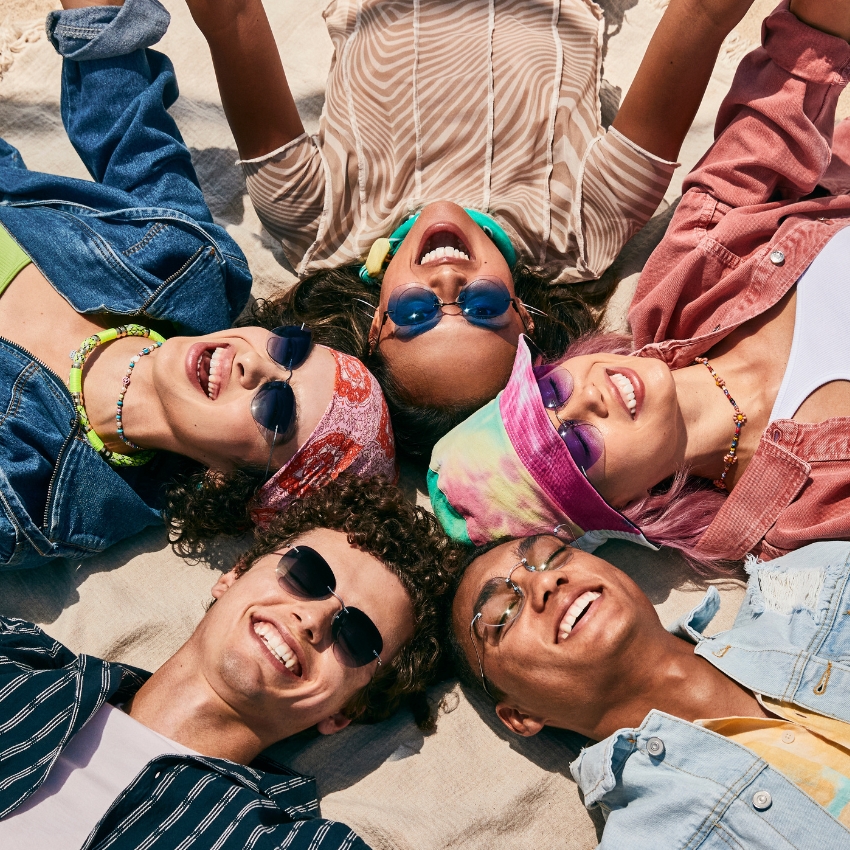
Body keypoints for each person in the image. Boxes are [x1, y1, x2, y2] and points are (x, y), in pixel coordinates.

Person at [185, 0, 761, 456]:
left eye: (416, 317)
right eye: (483, 306)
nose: (447, 287)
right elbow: (702, 17)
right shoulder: (584, 229)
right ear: (524, 314)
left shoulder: (314, 222)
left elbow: (232, 18)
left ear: (374, 322)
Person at [428, 0, 850, 568]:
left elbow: (779, 112)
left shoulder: (679, 285)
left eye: (553, 391)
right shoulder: (799, 517)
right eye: (576, 445)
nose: (586, 396)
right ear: (622, 507)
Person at [0, 0, 395, 571]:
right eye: (290, 348)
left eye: (276, 412)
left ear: (225, 482)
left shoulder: (37, 499)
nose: (256, 367)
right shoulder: (193, 270)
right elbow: (126, 126)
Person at [0, 476, 463, 848]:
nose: (314, 618)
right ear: (234, 575)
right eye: (307, 574)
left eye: (357, 635)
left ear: (346, 711)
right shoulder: (14, 658)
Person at [449, 531, 850, 846]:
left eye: (551, 556)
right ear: (521, 716)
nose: (547, 581)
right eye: (504, 611)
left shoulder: (817, 588)